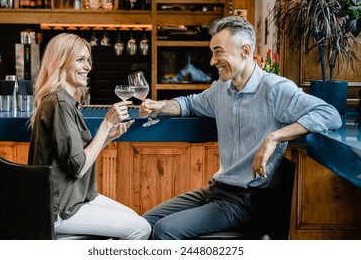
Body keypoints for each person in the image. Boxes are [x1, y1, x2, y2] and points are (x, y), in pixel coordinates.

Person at [139, 16, 342, 240]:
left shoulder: (275, 89)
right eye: (212, 52)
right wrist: (159, 106)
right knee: (144, 224)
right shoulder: (221, 89)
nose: (212, 61)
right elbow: (188, 104)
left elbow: (330, 115)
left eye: (219, 52)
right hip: (217, 190)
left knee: (165, 230)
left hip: (248, 202)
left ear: (245, 51)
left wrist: (274, 138)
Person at [28, 33, 151, 240]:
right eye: (80, 60)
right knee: (141, 228)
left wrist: (107, 137)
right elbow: (77, 167)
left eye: (88, 60)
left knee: (133, 218)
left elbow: (75, 156)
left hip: (74, 197)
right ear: (60, 63)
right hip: (61, 207)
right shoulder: (59, 103)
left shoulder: (65, 101)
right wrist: (106, 124)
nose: (88, 67)